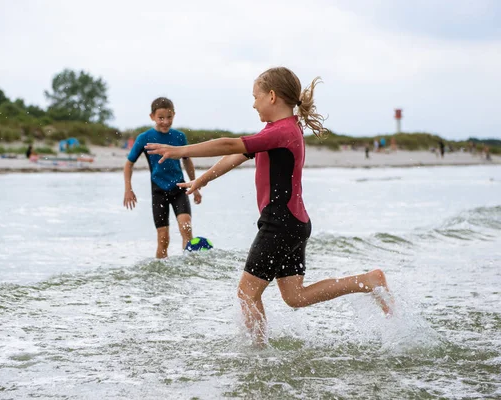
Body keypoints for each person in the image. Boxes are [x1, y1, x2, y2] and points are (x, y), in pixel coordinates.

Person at [146, 67, 392, 343]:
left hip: (280, 223)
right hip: (293, 223)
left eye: (256, 97)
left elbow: (229, 144)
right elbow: (237, 155)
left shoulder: (284, 131)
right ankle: (368, 281)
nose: (253, 103)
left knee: (246, 292)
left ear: (272, 97)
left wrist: (181, 151)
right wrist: (201, 179)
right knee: (295, 296)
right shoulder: (279, 130)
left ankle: (258, 354)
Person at [123, 97, 202, 258]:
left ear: (174, 115)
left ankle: (188, 269)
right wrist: (128, 190)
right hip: (158, 191)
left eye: (169, 117)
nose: (165, 121)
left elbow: (187, 162)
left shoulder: (179, 137)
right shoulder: (144, 138)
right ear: (152, 117)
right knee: (163, 239)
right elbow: (128, 164)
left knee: (186, 228)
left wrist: (195, 186)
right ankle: (160, 276)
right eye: (161, 118)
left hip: (179, 189)